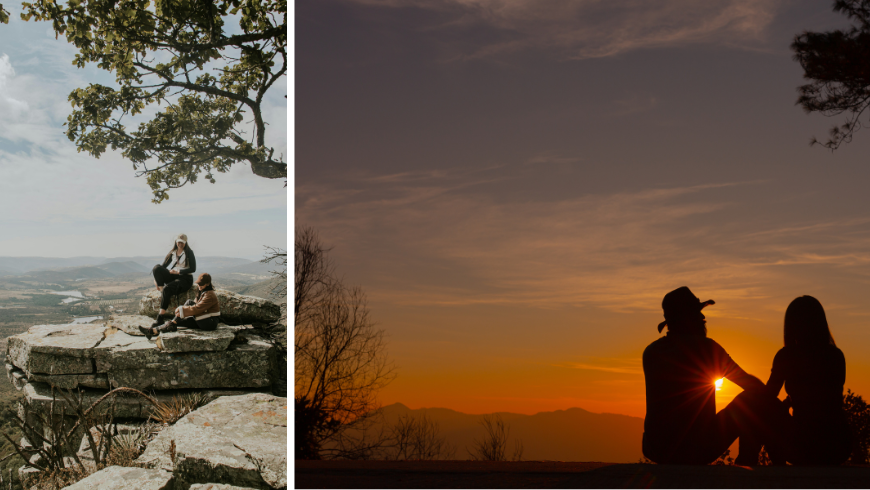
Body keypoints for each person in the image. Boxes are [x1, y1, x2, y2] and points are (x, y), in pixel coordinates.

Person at [642, 286, 788, 465]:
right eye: (698, 314)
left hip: (656, 449)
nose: (703, 318)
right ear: (687, 319)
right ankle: (752, 465)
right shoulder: (707, 349)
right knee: (752, 400)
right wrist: (777, 408)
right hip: (696, 449)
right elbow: (750, 385)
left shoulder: (651, 352)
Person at [762, 296, 851, 466]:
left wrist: (783, 407)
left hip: (804, 444)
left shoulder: (786, 355)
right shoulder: (836, 355)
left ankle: (766, 469)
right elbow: (831, 400)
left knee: (757, 410)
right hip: (839, 444)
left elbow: (767, 399)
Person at [140, 273, 220, 339]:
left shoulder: (210, 295)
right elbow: (196, 307)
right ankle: (153, 331)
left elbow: (196, 308)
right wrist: (181, 314)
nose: (199, 285)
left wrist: (182, 309)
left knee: (189, 302)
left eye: (201, 284)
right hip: (203, 319)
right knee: (177, 322)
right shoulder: (203, 292)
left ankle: (168, 326)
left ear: (208, 284)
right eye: (198, 283)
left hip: (210, 323)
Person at [151, 233, 197, 326]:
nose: (180, 244)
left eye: (182, 242)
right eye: (179, 242)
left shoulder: (189, 252)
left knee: (167, 288)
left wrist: (178, 272)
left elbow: (193, 269)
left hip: (185, 278)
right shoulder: (173, 252)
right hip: (174, 276)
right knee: (156, 268)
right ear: (176, 241)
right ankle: (161, 291)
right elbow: (162, 267)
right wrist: (156, 280)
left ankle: (160, 318)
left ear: (185, 243)